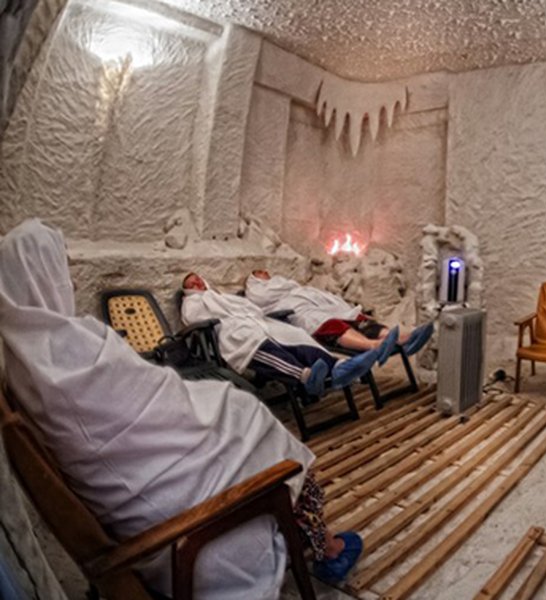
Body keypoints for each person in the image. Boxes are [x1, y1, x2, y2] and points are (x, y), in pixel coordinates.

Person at [0, 220, 362, 599]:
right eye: (63, 269)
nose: (71, 284)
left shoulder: (25, 368)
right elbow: (149, 403)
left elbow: (139, 402)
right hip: (172, 526)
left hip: (141, 489)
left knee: (241, 409)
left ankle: (319, 372)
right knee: (259, 432)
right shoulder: (73, 351)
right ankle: (327, 547)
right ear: (42, 277)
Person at [182, 273, 397, 398]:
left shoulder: (222, 297)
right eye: (191, 284)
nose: (197, 284)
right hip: (236, 332)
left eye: (198, 279)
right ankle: (305, 377)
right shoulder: (191, 303)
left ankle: (340, 368)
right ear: (187, 290)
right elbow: (195, 319)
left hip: (261, 324)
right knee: (266, 349)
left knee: (298, 338)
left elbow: (251, 308)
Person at [245, 270, 434, 357]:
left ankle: (401, 338)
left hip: (314, 305)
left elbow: (295, 288)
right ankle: (373, 345)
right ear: (254, 278)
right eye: (260, 272)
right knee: (331, 324)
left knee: (356, 318)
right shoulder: (256, 289)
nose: (265, 273)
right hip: (299, 312)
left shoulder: (282, 282)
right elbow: (263, 299)